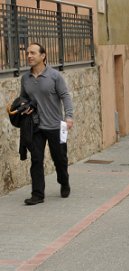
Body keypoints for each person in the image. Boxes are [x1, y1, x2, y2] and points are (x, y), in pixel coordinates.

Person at [19, 42, 74, 205]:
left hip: (56, 126)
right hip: (36, 126)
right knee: (36, 160)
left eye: (33, 53)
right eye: (28, 53)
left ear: (43, 56)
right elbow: (24, 98)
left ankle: (64, 182)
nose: (29, 56)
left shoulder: (54, 76)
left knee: (60, 159)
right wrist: (25, 107)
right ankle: (37, 194)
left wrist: (69, 116)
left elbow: (65, 96)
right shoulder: (25, 78)